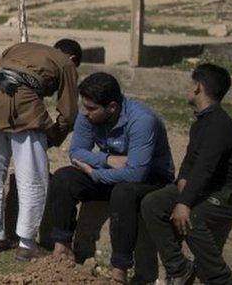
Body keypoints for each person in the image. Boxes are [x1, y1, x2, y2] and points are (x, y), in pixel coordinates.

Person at [48, 72, 174, 283]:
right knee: (64, 178)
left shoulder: (142, 121)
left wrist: (96, 173)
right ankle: (62, 247)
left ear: (112, 107)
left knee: (123, 192)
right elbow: (76, 152)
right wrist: (108, 160)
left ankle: (120, 268)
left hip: (151, 178)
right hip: (112, 171)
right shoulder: (89, 114)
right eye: (84, 106)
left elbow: (136, 173)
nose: (85, 113)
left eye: (91, 109)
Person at [0, 38, 82, 260]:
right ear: (73, 58)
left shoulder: (19, 46)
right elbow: (69, 114)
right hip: (22, 103)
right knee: (32, 177)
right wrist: (52, 136)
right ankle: (27, 243)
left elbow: (2, 67)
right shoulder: (66, 62)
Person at [141, 64, 232, 285]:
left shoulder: (218, 124)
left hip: (227, 193)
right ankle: (178, 268)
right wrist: (181, 181)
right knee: (153, 203)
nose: (188, 88)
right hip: (205, 186)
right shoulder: (203, 120)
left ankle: (220, 279)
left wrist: (184, 202)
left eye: (190, 83)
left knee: (191, 218)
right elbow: (191, 161)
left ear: (198, 87)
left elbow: (205, 168)